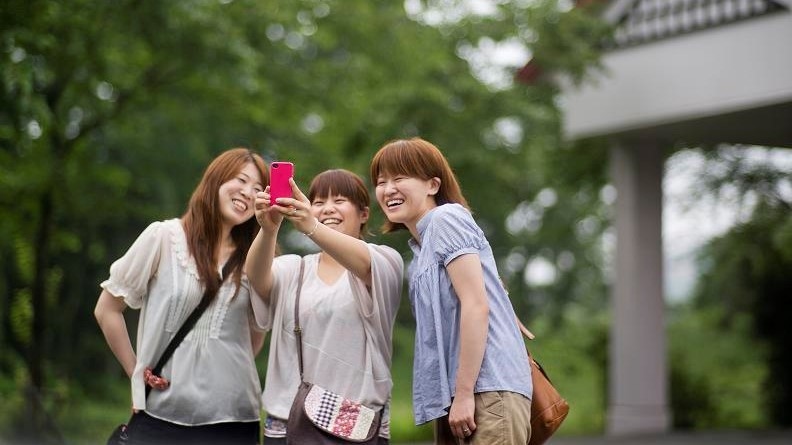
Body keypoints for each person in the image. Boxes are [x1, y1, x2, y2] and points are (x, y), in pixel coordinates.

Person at [94, 148, 269, 445]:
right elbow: (107, 309)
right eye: (240, 180)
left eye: (257, 188)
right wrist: (136, 372)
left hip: (233, 420)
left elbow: (255, 334)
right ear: (215, 180)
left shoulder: (255, 258)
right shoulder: (163, 238)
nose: (247, 193)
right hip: (160, 414)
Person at [369, 137, 533, 445]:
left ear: (432, 185)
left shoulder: (446, 218)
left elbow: (476, 307)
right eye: (381, 181)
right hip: (462, 398)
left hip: (485, 393)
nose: (388, 189)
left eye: (399, 178)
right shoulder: (420, 249)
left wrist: (464, 395)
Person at [245, 169, 403, 444]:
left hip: (354, 426)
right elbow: (258, 277)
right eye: (318, 202)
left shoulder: (384, 261)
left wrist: (311, 227)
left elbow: (365, 265)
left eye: (339, 200)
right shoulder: (295, 268)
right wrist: (268, 230)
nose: (328, 208)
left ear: (364, 214)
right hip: (289, 423)